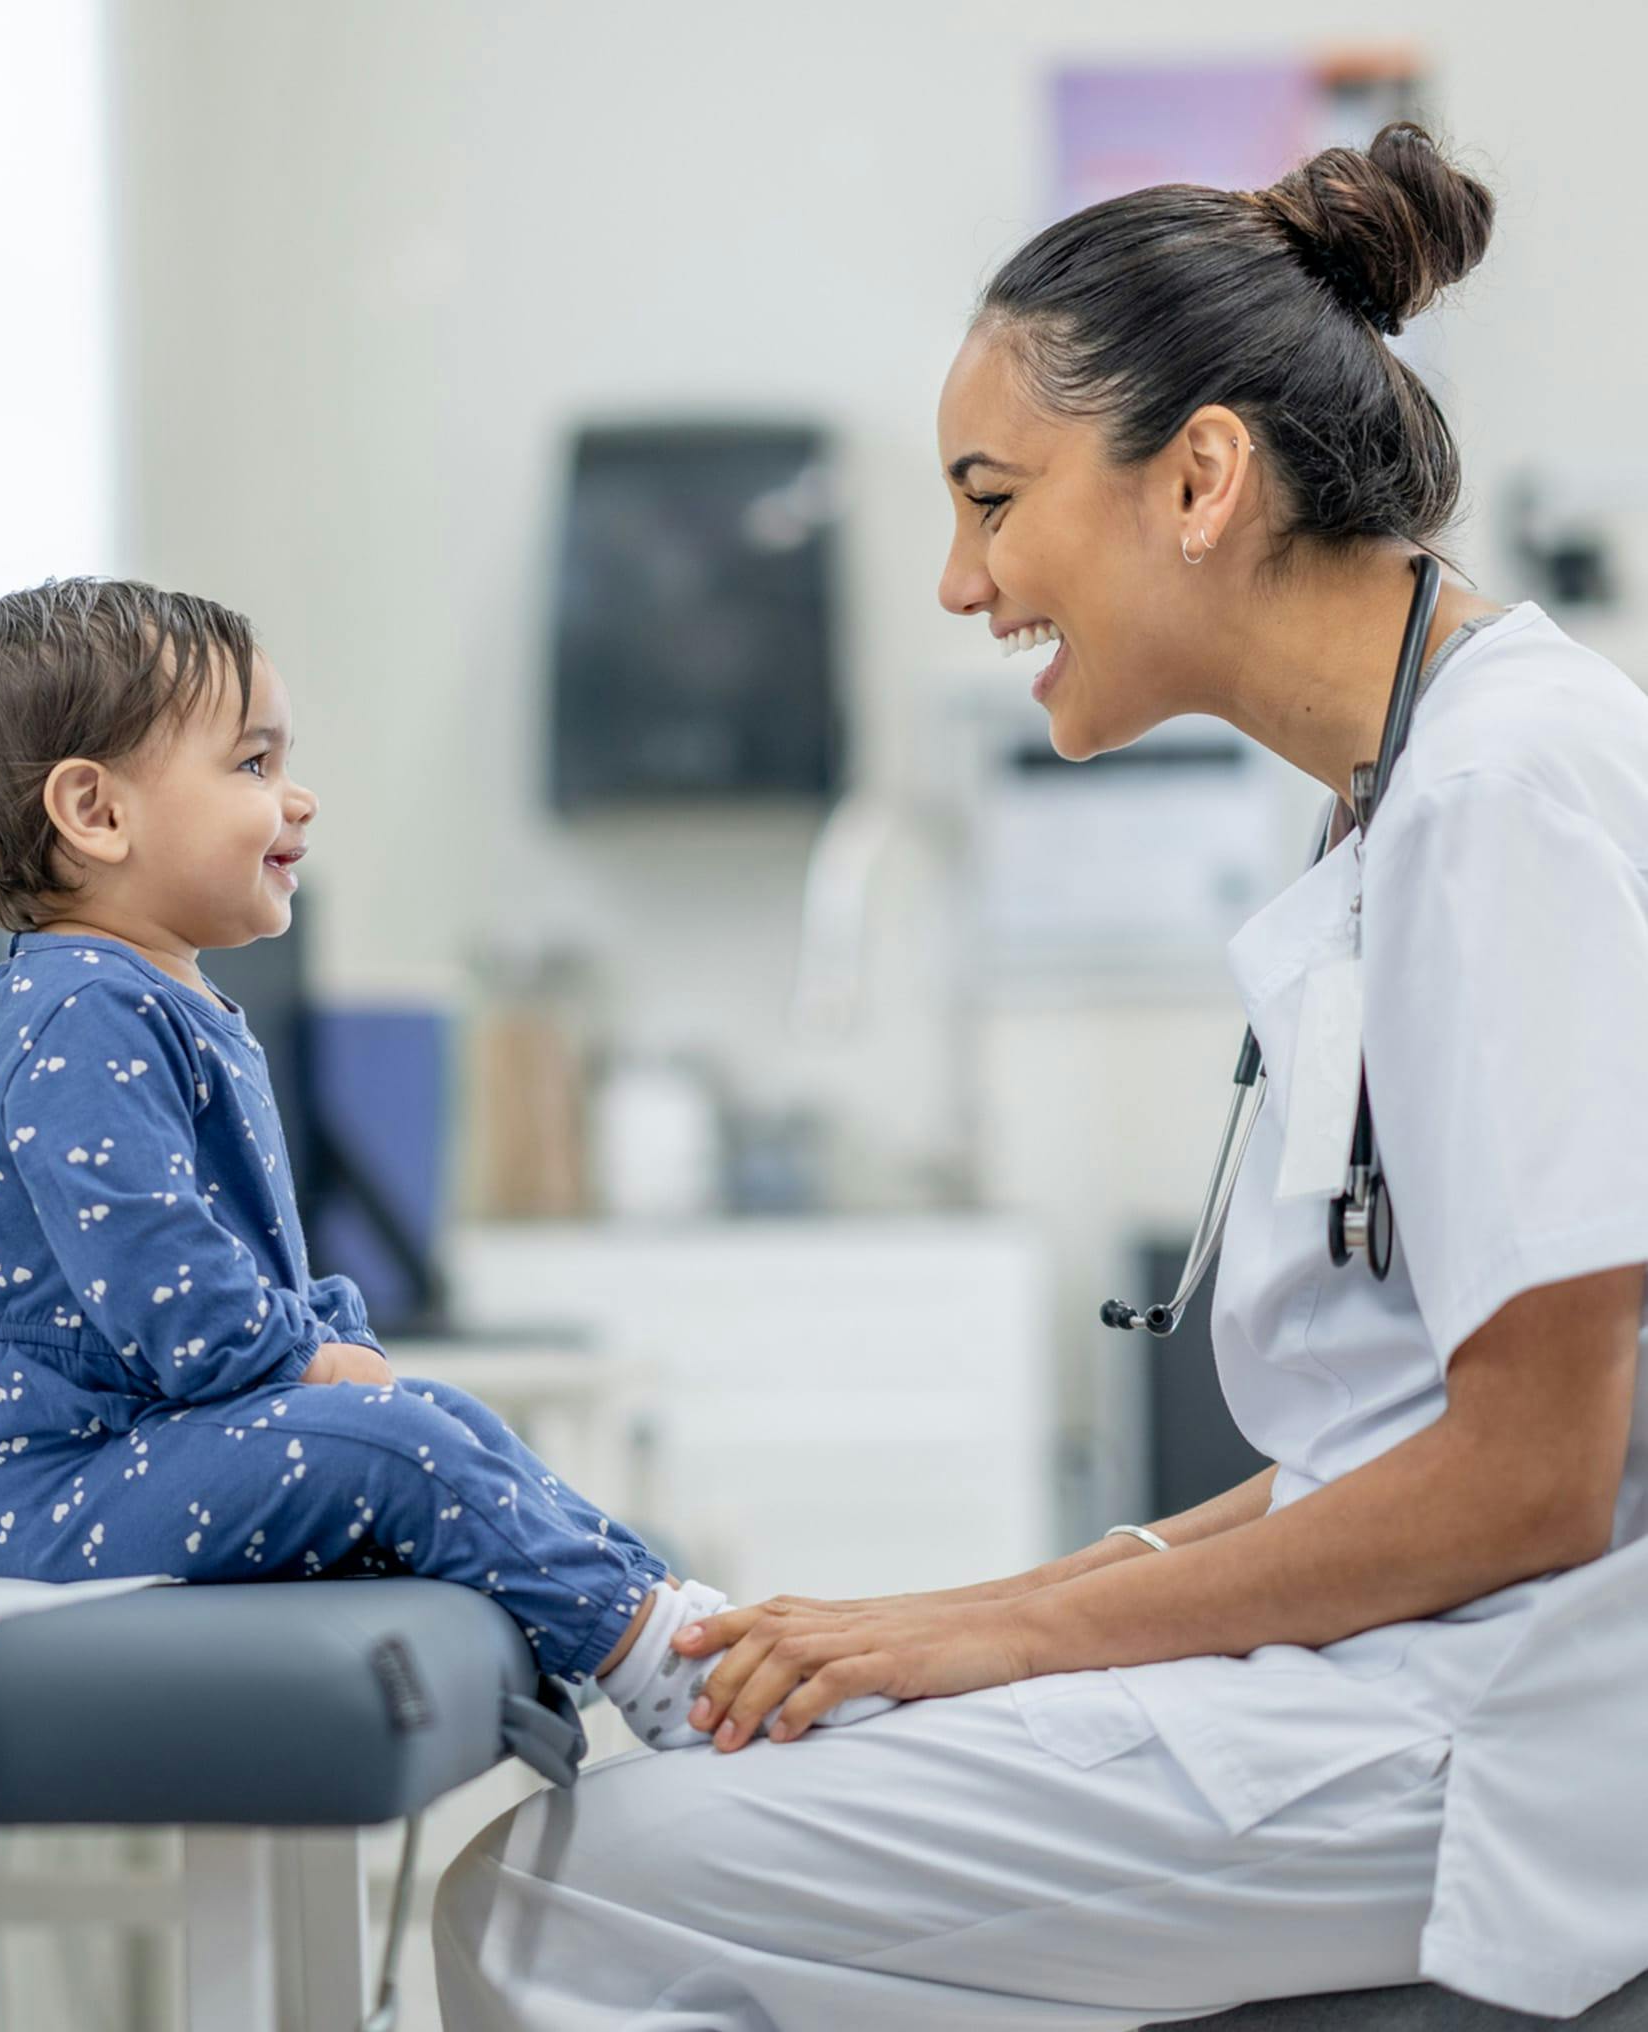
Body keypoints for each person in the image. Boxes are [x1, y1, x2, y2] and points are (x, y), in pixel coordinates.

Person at [432, 121, 1648, 2027]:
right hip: (1413, 1675)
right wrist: (1001, 1603)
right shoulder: (1399, 794)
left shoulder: (1510, 786)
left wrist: (1004, 1629)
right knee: (663, 1833)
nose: (953, 578)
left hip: (1503, 1727)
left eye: (992, 499)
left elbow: (1530, 1475)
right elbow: (1392, 1432)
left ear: (1200, 480)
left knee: (568, 1893)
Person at [0, 578, 896, 1751]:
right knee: (404, 1445)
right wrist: (305, 1358)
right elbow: (160, 1276)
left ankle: (668, 1619)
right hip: (64, 1489)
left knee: (439, 1418)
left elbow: (227, 1262)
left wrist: (322, 1345)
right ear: (96, 812)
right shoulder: (76, 1011)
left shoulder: (154, 998)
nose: (297, 797)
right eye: (253, 765)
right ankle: (663, 1665)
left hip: (139, 1451)